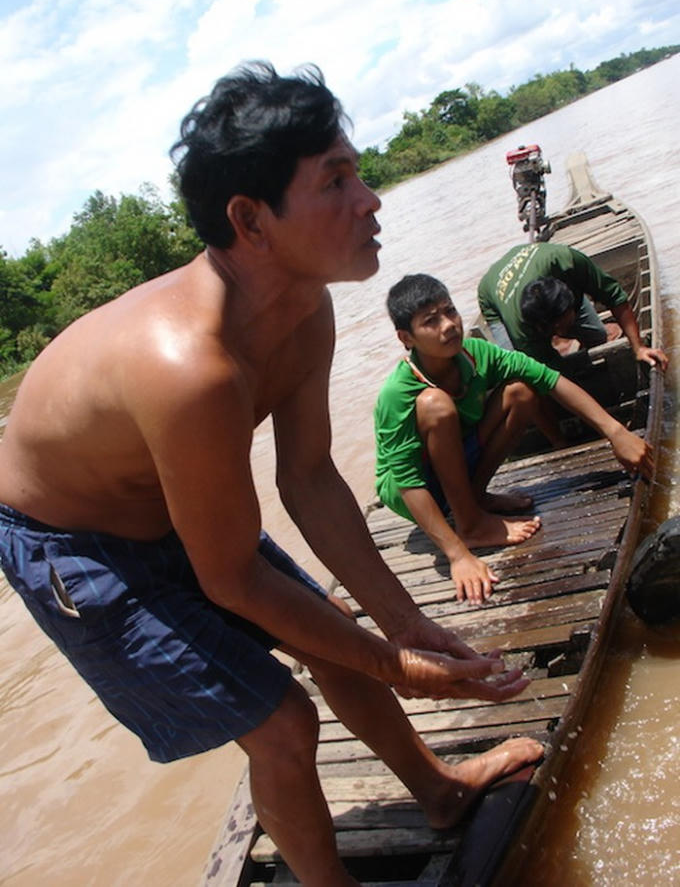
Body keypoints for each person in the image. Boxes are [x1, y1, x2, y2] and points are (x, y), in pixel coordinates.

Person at [0, 63, 543, 887]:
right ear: (250, 221)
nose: (371, 198)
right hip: (75, 546)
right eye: (337, 180)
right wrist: (400, 668)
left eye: (358, 171)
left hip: (166, 505)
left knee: (330, 631)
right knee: (283, 722)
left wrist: (404, 625)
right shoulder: (189, 367)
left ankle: (438, 790)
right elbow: (228, 576)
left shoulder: (305, 306)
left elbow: (313, 479)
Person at [374, 273, 655, 606]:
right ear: (406, 337)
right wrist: (457, 555)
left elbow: (548, 378)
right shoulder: (397, 393)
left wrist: (615, 432)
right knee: (435, 405)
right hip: (417, 488)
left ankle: (475, 497)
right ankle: (471, 524)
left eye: (450, 312)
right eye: (431, 322)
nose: (448, 325)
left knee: (520, 392)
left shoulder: (474, 353)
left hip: (458, 463)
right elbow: (407, 482)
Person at [477, 241, 669, 370]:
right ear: (538, 326)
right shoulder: (520, 323)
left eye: (565, 326)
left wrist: (638, 348)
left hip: (542, 266)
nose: (562, 331)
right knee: (521, 369)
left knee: (598, 336)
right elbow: (545, 376)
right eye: (556, 330)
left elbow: (615, 296)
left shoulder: (568, 261)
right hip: (492, 292)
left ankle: (571, 342)